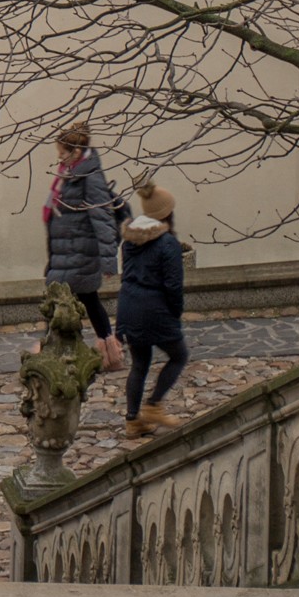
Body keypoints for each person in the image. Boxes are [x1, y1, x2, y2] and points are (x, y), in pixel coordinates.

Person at [42, 123, 125, 369]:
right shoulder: (69, 174)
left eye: (63, 151)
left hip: (79, 252)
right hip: (66, 250)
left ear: (76, 152)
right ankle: (109, 353)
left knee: (59, 298)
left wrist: (109, 261)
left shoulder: (90, 178)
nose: (59, 155)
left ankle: (54, 351)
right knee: (87, 300)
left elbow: (102, 218)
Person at [117, 178, 190, 438]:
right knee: (179, 355)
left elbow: (126, 276)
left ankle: (133, 420)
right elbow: (173, 285)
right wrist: (175, 312)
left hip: (129, 305)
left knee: (140, 363)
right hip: (155, 309)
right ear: (168, 213)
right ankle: (153, 405)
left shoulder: (129, 241)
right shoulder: (167, 244)